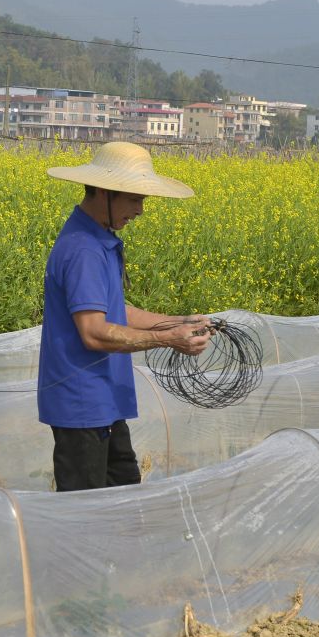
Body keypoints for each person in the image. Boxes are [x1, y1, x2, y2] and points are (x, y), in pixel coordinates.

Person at [38, 141, 208, 492]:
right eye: (134, 198)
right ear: (103, 191)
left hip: (104, 402)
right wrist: (168, 340)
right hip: (83, 406)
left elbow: (117, 311)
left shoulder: (99, 240)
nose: (140, 210)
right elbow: (94, 332)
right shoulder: (84, 249)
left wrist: (179, 322)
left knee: (123, 497)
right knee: (89, 514)